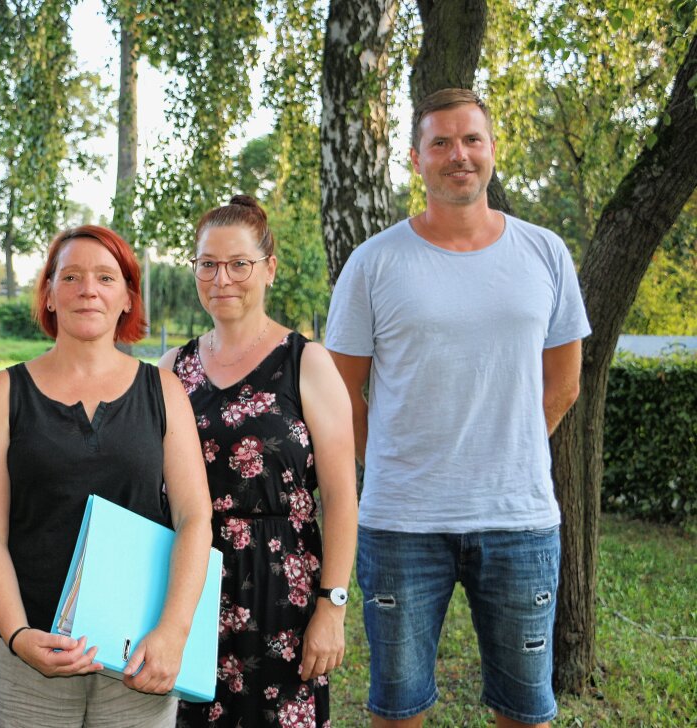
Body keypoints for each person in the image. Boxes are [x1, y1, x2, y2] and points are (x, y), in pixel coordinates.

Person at [326, 88, 591, 728]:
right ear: (416, 159)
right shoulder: (375, 263)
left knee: (526, 712)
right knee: (398, 708)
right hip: (401, 524)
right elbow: (339, 396)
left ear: (493, 151)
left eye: (471, 139)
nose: (458, 155)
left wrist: (512, 450)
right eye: (440, 142)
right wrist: (394, 460)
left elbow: (565, 383)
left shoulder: (546, 253)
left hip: (520, 520)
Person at [0, 225, 213, 727]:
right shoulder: (0, 394)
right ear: (50, 294)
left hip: (136, 653)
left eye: (106, 276)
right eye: (71, 276)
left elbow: (195, 518)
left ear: (127, 297)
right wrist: (16, 635)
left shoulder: (163, 391)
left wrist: (173, 631)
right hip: (23, 661)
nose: (88, 289)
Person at [159, 195, 359, 728]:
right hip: (190, 590)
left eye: (239, 264)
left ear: (269, 269)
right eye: (208, 264)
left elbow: (340, 497)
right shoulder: (171, 369)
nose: (221, 277)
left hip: (284, 595)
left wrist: (332, 607)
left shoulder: (305, 364)